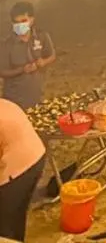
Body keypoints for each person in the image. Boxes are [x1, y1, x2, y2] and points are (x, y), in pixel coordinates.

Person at [0, 97, 45, 241]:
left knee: (4, 226)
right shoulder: (5, 104)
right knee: (18, 213)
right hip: (37, 154)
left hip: (18, 167)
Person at [1, 3, 55, 111]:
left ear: (31, 20)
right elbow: (2, 72)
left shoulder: (41, 36)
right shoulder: (6, 44)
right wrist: (22, 70)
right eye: (16, 22)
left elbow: (51, 55)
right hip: (14, 99)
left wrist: (43, 62)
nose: (20, 25)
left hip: (37, 94)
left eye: (23, 21)